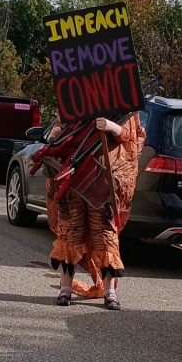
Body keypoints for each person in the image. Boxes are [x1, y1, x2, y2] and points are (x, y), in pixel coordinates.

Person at [47, 114, 145, 310]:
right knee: (70, 232)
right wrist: (57, 137)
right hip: (73, 177)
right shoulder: (74, 96)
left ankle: (110, 292)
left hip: (105, 180)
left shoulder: (124, 101)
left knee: (105, 235)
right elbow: (58, 130)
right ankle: (65, 289)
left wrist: (112, 127)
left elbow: (134, 139)